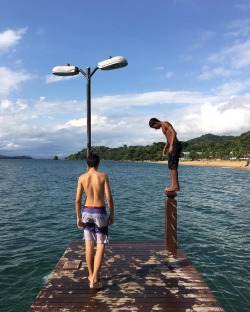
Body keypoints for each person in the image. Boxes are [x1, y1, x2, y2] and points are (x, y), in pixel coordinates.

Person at [75, 153, 114, 289]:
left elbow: (78, 200)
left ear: (87, 164)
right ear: (98, 163)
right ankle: (95, 280)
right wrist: (112, 213)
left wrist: (78, 217)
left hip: (86, 211)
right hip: (99, 211)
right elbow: (108, 197)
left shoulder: (82, 178)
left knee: (89, 244)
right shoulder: (103, 176)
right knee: (101, 243)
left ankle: (91, 275)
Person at [149, 118, 183, 192]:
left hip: (175, 145)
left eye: (154, 127)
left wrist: (171, 145)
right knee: (170, 166)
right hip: (173, 145)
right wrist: (165, 148)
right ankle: (173, 184)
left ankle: (176, 186)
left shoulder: (165, 123)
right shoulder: (162, 128)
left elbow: (174, 133)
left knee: (173, 166)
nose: (155, 129)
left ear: (156, 123)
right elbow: (168, 138)